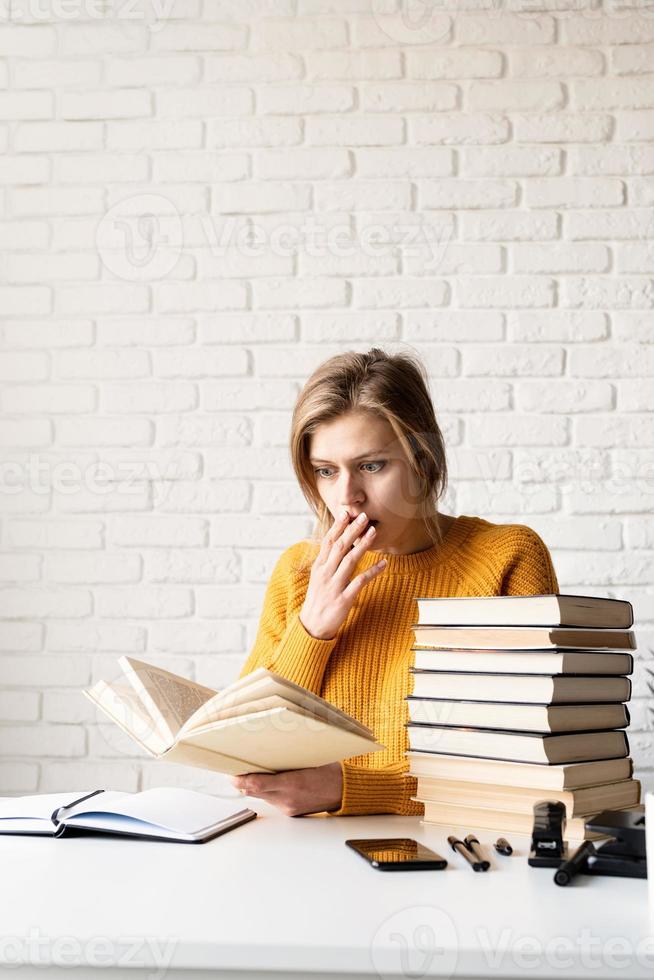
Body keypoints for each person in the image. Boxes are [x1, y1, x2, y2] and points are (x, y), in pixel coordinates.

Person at [230, 348, 559, 817]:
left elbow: (521, 762)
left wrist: (353, 789)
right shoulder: (299, 573)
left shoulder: (507, 557)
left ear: (422, 459)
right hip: (301, 856)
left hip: (456, 852)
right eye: (326, 471)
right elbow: (249, 755)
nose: (347, 497)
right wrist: (313, 629)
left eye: (371, 466)